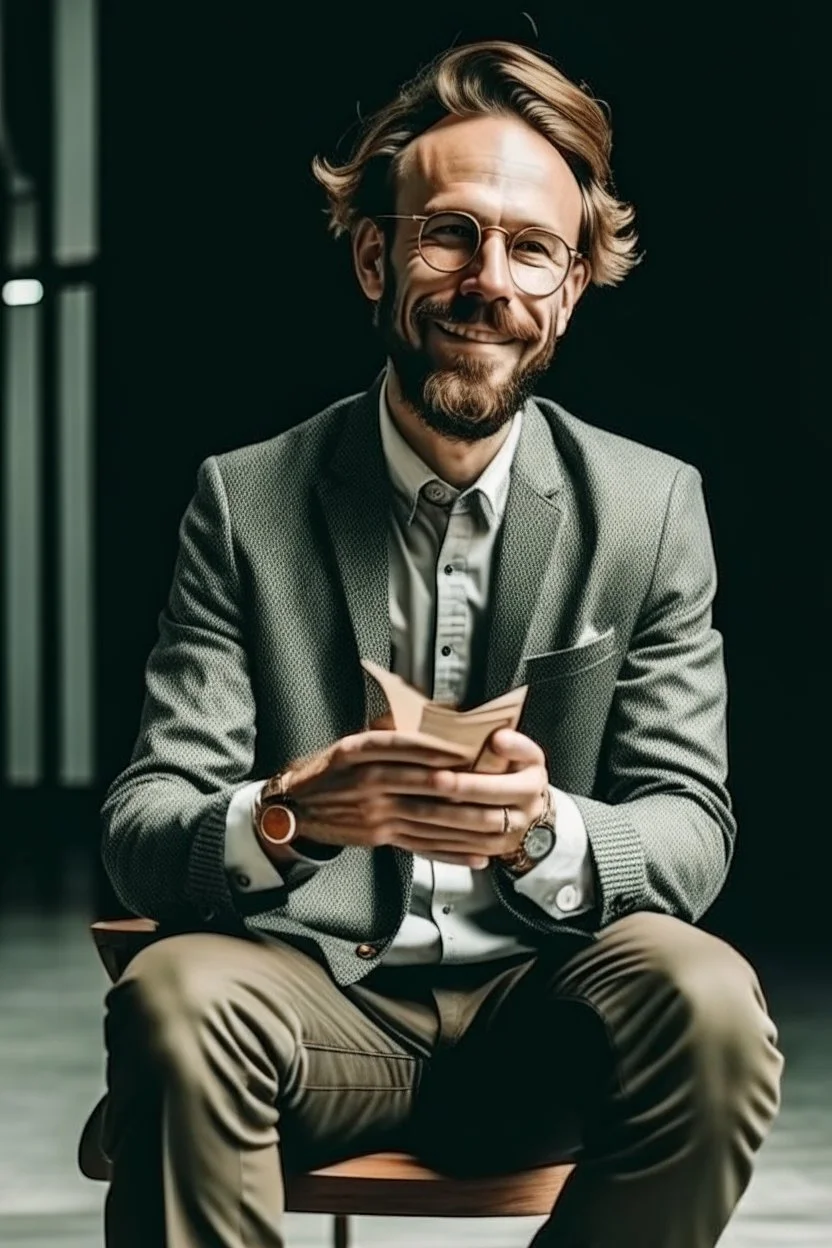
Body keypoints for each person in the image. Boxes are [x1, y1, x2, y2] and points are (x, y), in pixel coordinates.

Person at [94, 38, 784, 1248]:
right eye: (449, 235)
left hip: (549, 1023)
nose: (489, 282)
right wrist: (290, 816)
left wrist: (543, 828)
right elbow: (146, 822)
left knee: (714, 1003)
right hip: (320, 1022)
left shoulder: (651, 504)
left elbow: (690, 824)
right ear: (375, 255)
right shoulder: (244, 500)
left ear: (571, 288)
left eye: (532, 249)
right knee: (172, 994)